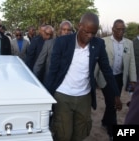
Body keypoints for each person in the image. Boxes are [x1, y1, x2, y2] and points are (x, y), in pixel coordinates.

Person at [44, 12, 122, 141]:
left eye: (93, 33)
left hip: (84, 98)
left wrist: (116, 94)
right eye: (86, 32)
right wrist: (47, 96)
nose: (90, 36)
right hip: (63, 95)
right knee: (63, 134)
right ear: (79, 26)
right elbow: (52, 71)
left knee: (80, 133)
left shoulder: (98, 44)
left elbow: (107, 70)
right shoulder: (62, 42)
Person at [96, 19, 137, 139]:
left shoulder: (129, 43)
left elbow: (132, 62)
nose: (121, 31)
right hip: (105, 77)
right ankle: (112, 131)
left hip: (119, 78)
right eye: (118, 29)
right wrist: (93, 78)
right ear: (113, 29)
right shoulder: (104, 41)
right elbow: (97, 61)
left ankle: (104, 121)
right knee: (113, 102)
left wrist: (133, 79)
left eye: (123, 29)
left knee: (111, 102)